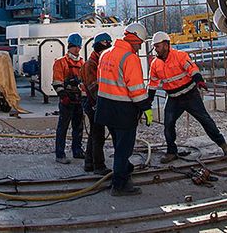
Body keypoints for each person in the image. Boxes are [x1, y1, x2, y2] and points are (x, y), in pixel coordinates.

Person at [148, 31, 227, 163]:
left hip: (190, 96)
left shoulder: (180, 56)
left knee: (205, 120)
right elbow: (152, 83)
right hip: (174, 98)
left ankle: (224, 145)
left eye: (157, 46)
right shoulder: (155, 64)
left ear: (166, 45)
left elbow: (192, 68)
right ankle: (171, 152)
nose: (155, 49)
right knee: (168, 124)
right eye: (155, 46)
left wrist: (199, 79)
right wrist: (149, 100)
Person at [94, 22, 152, 196]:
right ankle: (119, 186)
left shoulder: (105, 54)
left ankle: (125, 170)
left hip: (105, 108)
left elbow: (100, 80)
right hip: (123, 110)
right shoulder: (130, 58)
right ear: (134, 39)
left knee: (119, 145)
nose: (140, 46)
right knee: (123, 149)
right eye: (140, 43)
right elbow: (136, 89)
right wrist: (146, 108)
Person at [51, 33, 86, 163]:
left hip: (79, 100)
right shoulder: (61, 63)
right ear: (69, 46)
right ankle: (60, 154)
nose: (77, 50)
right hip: (67, 100)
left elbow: (84, 82)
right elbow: (56, 82)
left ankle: (77, 150)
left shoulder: (82, 63)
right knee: (63, 127)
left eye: (78, 47)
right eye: (74, 47)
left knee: (78, 126)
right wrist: (63, 96)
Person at [81, 32, 112, 174]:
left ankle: (89, 162)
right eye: (107, 44)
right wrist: (102, 103)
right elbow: (93, 87)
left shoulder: (99, 61)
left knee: (94, 134)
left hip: (95, 102)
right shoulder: (91, 64)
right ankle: (98, 166)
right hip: (94, 103)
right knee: (98, 135)